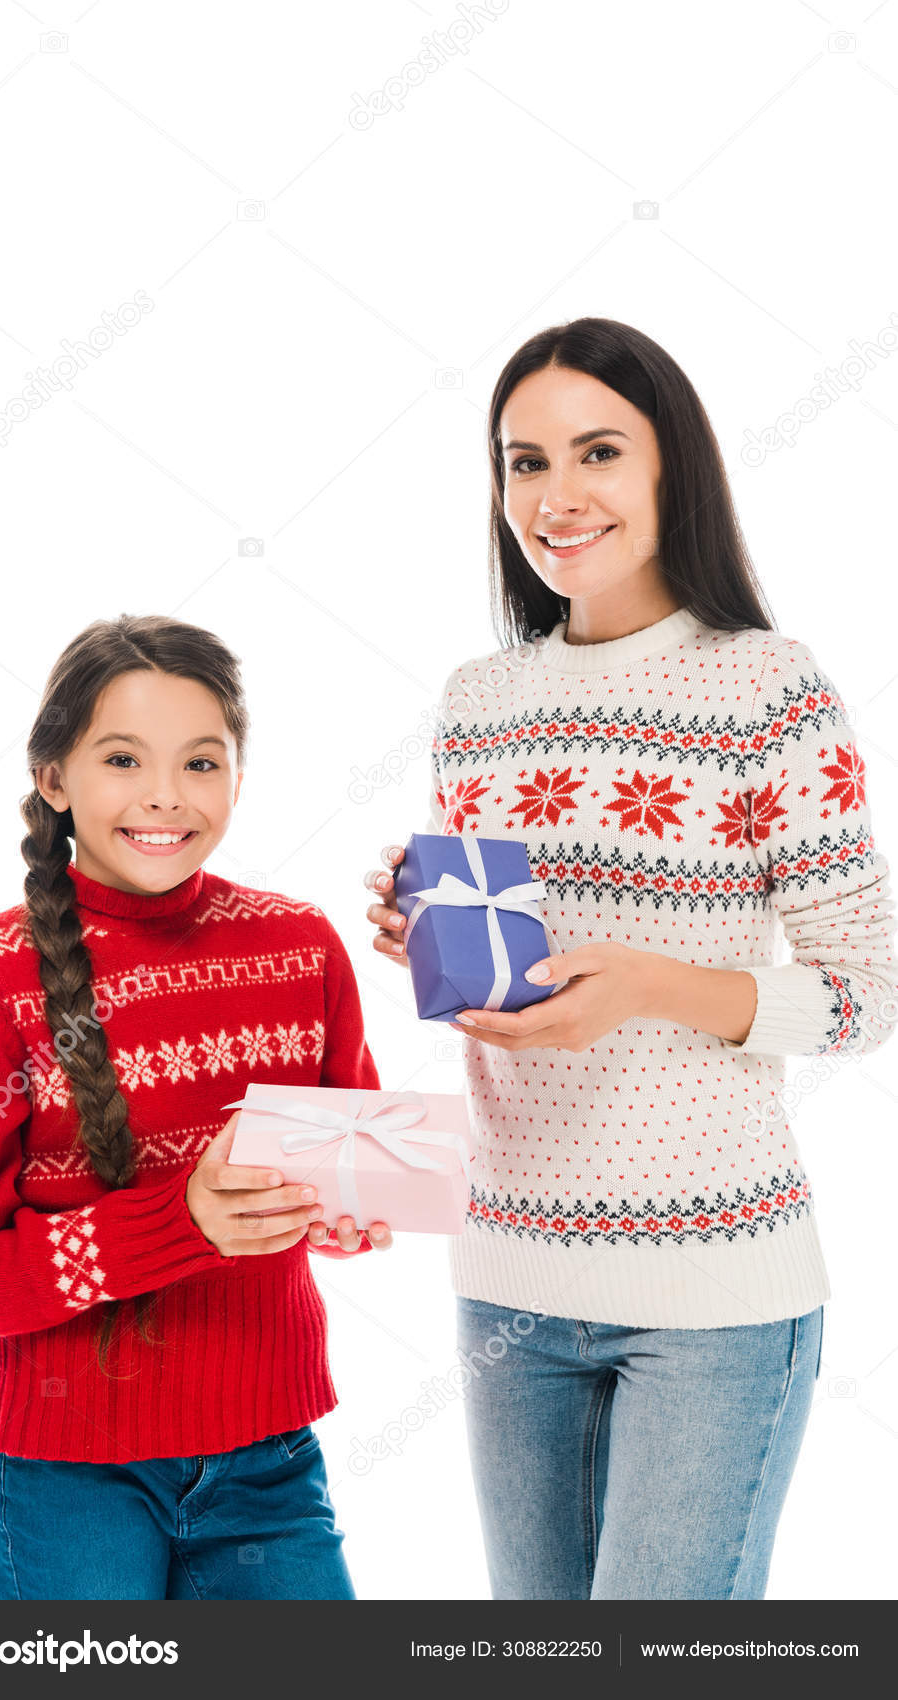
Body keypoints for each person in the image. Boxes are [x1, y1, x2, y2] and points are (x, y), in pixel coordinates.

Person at [365, 316, 897, 1600]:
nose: (557, 496)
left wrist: (656, 986)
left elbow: (866, 994)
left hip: (714, 1294)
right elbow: (509, 975)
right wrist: (426, 932)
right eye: (524, 461)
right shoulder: (477, 699)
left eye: (597, 450)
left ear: (674, 469)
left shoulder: (769, 688)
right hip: (506, 1278)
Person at [0, 613, 391, 1601]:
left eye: (202, 762)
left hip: (272, 1465)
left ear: (239, 777)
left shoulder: (303, 946)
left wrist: (351, 1211)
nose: (167, 794)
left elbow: (347, 1179)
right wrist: (179, 1223)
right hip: (68, 1485)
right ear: (54, 778)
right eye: (124, 757)